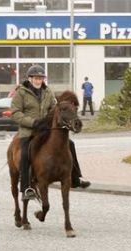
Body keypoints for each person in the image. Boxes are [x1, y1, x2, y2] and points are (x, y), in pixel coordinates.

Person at [11, 65, 90, 201]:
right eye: (36, 78)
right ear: (30, 79)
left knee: (70, 144)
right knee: (25, 153)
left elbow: (55, 110)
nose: (38, 81)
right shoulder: (21, 93)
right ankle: (26, 188)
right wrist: (33, 122)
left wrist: (63, 120)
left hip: (46, 129)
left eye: (40, 78)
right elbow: (16, 113)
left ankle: (76, 177)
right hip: (28, 131)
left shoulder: (48, 92)